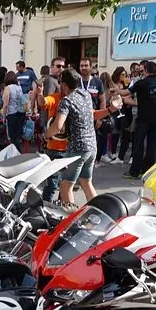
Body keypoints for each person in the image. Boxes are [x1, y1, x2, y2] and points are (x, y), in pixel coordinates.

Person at [47, 69, 97, 208]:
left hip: (77, 148)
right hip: (92, 146)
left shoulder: (66, 101)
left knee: (65, 186)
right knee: (86, 182)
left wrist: (47, 135)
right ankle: (99, 211)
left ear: (64, 85)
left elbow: (57, 126)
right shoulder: (85, 95)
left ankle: (72, 222)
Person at [119, 60, 156, 179]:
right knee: (152, 145)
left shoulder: (142, 83)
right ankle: (147, 171)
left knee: (139, 144)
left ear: (146, 70)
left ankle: (134, 171)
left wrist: (114, 90)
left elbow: (125, 92)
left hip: (143, 118)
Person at [34, 80, 66, 202]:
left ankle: (61, 209)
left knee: (66, 185)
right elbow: (43, 102)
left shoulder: (75, 99)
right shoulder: (55, 97)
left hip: (70, 149)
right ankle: (44, 208)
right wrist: (40, 93)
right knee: (52, 184)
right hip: (54, 148)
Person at [0, 71, 25, 151]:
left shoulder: (8, 88)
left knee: (12, 137)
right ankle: (17, 153)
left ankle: (17, 154)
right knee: (17, 136)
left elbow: (6, 104)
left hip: (12, 114)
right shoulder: (19, 87)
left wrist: (4, 116)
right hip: (21, 113)